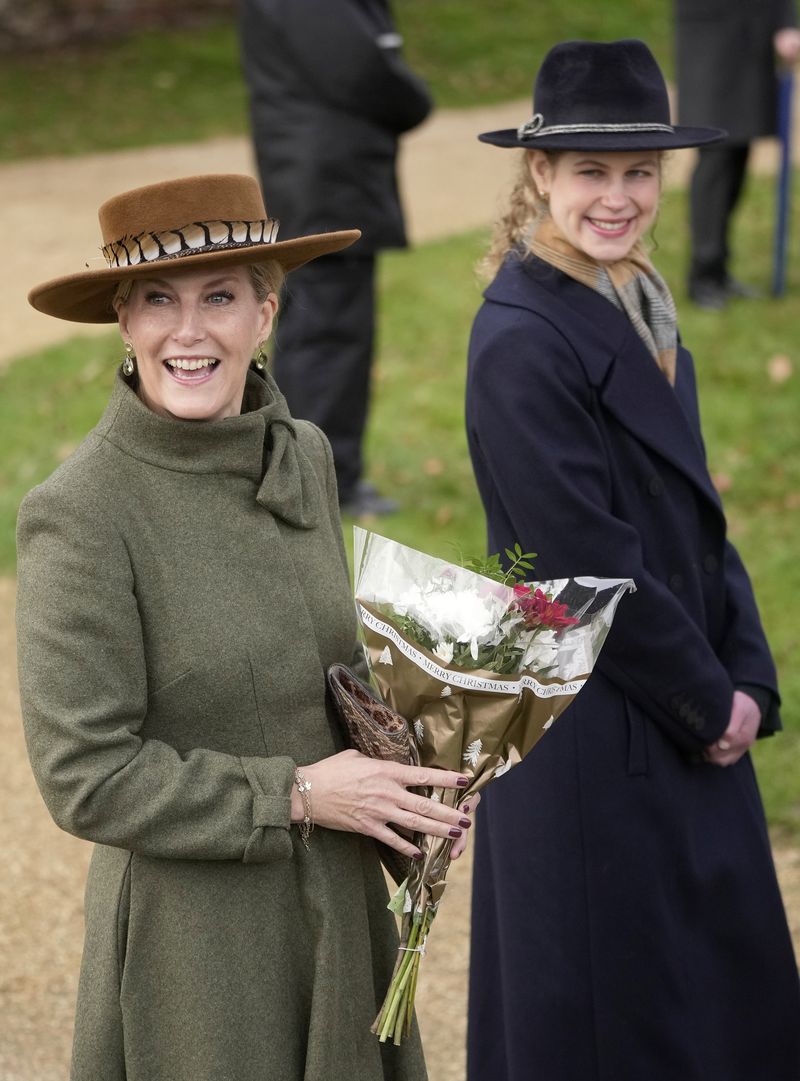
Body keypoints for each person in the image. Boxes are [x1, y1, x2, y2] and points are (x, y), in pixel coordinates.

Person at [17, 172, 477, 1081]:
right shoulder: (79, 513)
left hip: (336, 913)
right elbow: (86, 776)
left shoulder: (302, 453)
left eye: (221, 298)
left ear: (265, 314)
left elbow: (331, 668)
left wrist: (414, 774)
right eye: (160, 301)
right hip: (199, 950)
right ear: (125, 319)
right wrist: (299, 795)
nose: (189, 333)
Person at [465, 40, 800, 1081]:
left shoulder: (636, 304)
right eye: (589, 173)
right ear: (538, 178)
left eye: (639, 172)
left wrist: (746, 671)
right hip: (590, 730)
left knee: (709, 1000)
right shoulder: (521, 338)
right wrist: (708, 701)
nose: (617, 197)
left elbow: (694, 522)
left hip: (676, 694)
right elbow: (582, 562)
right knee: (615, 1022)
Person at [239, 0, 432, 516]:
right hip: (325, 182)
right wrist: (414, 98)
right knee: (328, 337)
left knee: (324, 335)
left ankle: (313, 474)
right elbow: (358, 67)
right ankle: (318, 480)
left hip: (323, 177)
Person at [675, 0, 800, 309]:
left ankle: (719, 270)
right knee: (716, 153)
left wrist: (786, 22)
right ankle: (703, 273)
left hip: (754, 37)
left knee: (739, 149)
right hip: (712, 38)